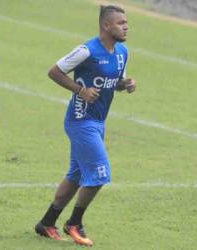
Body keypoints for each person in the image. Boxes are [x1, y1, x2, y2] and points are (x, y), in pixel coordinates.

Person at [35, 5, 136, 246]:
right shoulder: (86, 50)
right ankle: (74, 223)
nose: (126, 26)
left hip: (99, 122)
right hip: (80, 121)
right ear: (106, 25)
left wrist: (125, 85)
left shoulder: (122, 52)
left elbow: (112, 83)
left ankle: (46, 223)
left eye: (126, 22)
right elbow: (54, 72)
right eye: (121, 22)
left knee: (76, 175)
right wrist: (80, 90)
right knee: (100, 174)